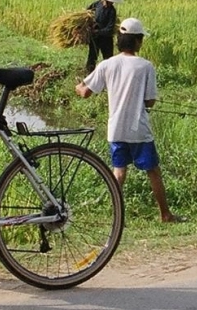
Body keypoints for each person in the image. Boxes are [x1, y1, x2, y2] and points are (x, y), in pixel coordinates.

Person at [75, 18, 180, 222]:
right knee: (153, 171)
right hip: (138, 129)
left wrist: (77, 87)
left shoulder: (107, 64)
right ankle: (165, 214)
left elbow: (86, 92)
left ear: (120, 40)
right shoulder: (146, 66)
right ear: (138, 41)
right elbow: (150, 102)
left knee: (119, 172)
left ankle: (116, 217)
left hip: (116, 129)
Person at [85, 0, 122, 74]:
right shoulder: (97, 4)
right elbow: (87, 11)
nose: (109, 4)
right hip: (95, 38)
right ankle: (89, 74)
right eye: (108, 1)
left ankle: (109, 76)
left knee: (108, 58)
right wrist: (90, 24)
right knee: (92, 57)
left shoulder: (112, 11)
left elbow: (109, 29)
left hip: (106, 39)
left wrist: (98, 31)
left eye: (111, 2)